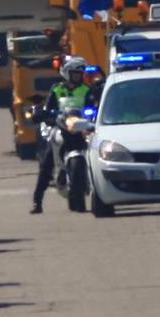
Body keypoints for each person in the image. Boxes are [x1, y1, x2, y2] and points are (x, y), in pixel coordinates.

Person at [31, 56, 99, 214]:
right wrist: (44, 114)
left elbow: (93, 106)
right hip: (62, 127)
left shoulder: (87, 90)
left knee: (98, 153)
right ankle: (37, 201)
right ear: (67, 73)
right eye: (75, 73)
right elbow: (49, 107)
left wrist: (94, 115)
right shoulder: (56, 89)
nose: (78, 76)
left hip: (82, 128)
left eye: (80, 73)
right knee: (46, 162)